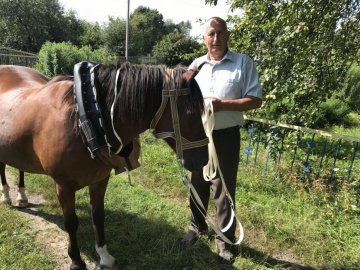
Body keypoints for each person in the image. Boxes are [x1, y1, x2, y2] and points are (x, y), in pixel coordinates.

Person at [181, 17, 262, 264]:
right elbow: (182, 96)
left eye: (220, 33)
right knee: (197, 182)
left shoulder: (243, 63)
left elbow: (255, 100)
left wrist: (222, 105)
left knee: (223, 188)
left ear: (227, 36)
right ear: (203, 38)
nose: (215, 39)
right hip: (198, 135)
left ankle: (225, 240)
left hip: (226, 136)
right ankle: (197, 227)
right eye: (210, 34)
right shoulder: (196, 65)